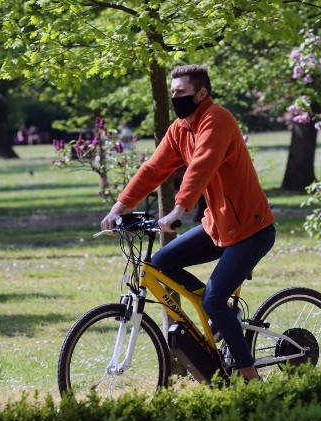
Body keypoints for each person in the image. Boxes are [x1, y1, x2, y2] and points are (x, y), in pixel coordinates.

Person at [101, 64, 276, 382]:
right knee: (161, 263)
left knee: (213, 299)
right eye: (172, 93)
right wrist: (118, 208)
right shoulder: (180, 129)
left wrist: (179, 209)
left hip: (252, 230)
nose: (175, 98)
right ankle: (222, 313)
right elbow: (153, 169)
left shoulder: (217, 118)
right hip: (217, 226)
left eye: (181, 93)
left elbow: (203, 164)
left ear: (202, 93)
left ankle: (250, 376)